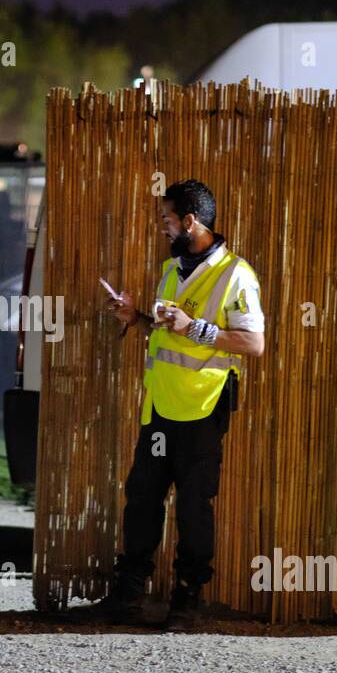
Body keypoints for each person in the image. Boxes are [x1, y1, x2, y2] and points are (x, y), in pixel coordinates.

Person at [102, 179, 265, 629]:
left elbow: (253, 343)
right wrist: (136, 319)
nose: (163, 227)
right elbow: (168, 332)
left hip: (203, 409)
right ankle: (128, 593)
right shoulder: (172, 269)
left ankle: (186, 598)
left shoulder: (237, 274)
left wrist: (196, 329)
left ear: (190, 221)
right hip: (160, 408)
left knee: (194, 505)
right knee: (142, 499)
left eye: (167, 219)